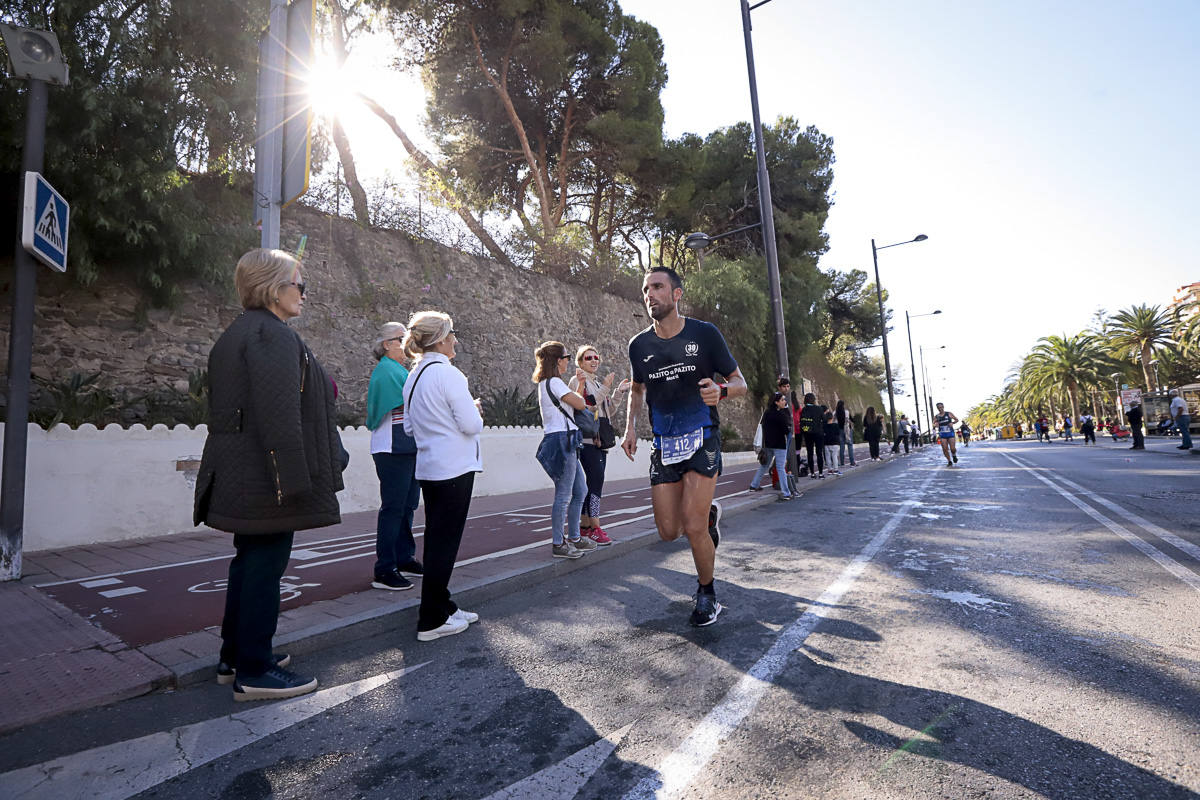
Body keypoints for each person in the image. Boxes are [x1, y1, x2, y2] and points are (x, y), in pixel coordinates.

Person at [195, 248, 345, 701]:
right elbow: (279, 416)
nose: (304, 294)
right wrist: (294, 480)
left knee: (250, 562)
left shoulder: (238, 333)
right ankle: (255, 670)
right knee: (264, 566)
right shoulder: (271, 336)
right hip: (266, 477)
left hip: (246, 473)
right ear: (273, 287)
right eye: (299, 284)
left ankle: (235, 655)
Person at [622, 267, 748, 627]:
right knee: (668, 531)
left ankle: (707, 593)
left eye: (658, 287)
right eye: (646, 289)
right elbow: (637, 388)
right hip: (665, 441)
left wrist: (720, 391)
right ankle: (709, 517)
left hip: (702, 436)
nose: (650, 295)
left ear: (677, 294)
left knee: (691, 528)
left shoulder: (704, 335)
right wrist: (631, 427)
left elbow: (740, 382)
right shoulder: (639, 345)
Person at [402, 311, 484, 641]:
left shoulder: (414, 377)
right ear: (440, 340)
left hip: (430, 467)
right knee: (444, 544)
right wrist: (475, 410)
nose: (456, 341)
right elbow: (471, 425)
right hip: (454, 467)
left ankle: (442, 604)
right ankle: (431, 618)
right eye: (452, 335)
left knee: (437, 539)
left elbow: (409, 427)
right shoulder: (450, 376)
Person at [366, 322, 423, 592]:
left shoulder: (399, 370)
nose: (406, 343)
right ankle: (385, 567)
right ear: (387, 344)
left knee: (409, 504)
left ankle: (404, 556)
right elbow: (407, 403)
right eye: (401, 339)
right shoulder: (386, 372)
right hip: (391, 448)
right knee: (393, 507)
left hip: (407, 447)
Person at [534, 341, 598, 560]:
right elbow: (580, 404)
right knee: (564, 494)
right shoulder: (554, 382)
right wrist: (579, 393)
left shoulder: (547, 384)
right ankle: (559, 543)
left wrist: (578, 390)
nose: (568, 361)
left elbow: (572, 403)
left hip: (563, 439)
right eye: (567, 357)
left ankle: (574, 537)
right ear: (558, 360)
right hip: (563, 440)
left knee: (580, 490)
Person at [569, 345, 630, 545]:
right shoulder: (578, 381)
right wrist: (605, 386)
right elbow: (588, 406)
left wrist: (618, 393)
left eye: (596, 357)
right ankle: (595, 527)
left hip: (600, 441)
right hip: (587, 442)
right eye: (588, 358)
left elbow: (606, 412)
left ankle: (585, 527)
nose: (594, 360)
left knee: (592, 484)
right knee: (595, 484)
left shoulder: (594, 382)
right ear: (580, 362)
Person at [748, 392, 792, 500]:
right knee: (781, 468)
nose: (784, 402)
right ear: (776, 402)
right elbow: (786, 430)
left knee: (764, 465)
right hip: (780, 444)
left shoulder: (767, 413)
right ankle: (786, 492)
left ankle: (754, 485)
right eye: (782, 400)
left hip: (768, 444)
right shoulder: (781, 415)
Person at [799, 392, 827, 477]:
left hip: (808, 433)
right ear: (814, 400)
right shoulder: (819, 409)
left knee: (810, 453)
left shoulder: (804, 409)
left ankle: (812, 473)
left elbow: (801, 421)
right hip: (818, 433)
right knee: (819, 453)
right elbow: (824, 420)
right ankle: (821, 473)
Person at [835, 399, 856, 467]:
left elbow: (833, 420)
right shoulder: (846, 412)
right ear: (843, 405)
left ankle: (842, 463)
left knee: (842, 446)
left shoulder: (836, 412)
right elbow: (852, 420)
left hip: (840, 430)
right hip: (847, 430)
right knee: (850, 446)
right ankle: (852, 462)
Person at [822, 410, 841, 475]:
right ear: (832, 418)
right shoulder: (836, 425)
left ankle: (829, 470)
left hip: (826, 443)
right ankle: (836, 469)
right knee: (834, 456)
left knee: (828, 457)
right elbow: (838, 433)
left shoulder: (824, 426)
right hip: (835, 443)